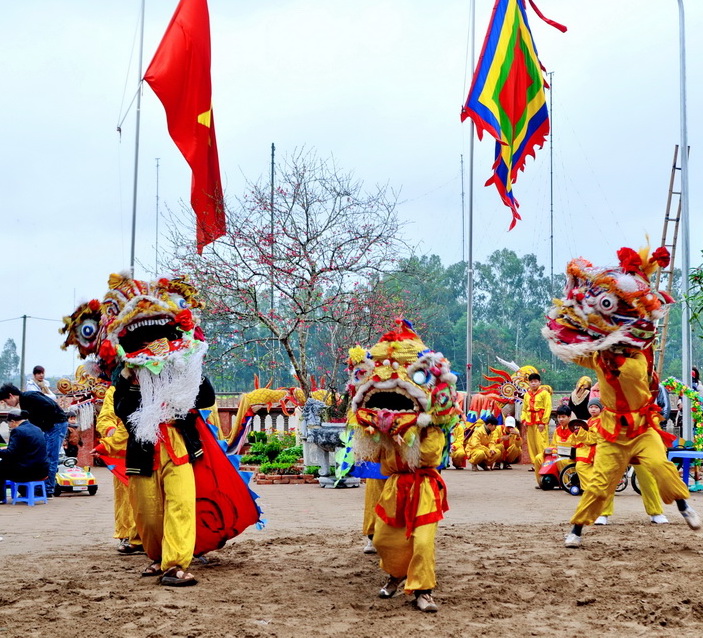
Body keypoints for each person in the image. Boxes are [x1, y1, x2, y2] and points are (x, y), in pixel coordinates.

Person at [564, 349, 700, 548]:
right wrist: (566, 340)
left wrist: (606, 357)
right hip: (612, 433)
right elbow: (577, 355)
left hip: (642, 428)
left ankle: (683, 505)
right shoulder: (599, 357)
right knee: (599, 482)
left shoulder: (638, 358)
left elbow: (633, 372)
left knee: (660, 465)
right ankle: (576, 529)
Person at [113, 368, 216, 586]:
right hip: (143, 452)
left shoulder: (179, 373)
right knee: (148, 515)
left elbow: (206, 398)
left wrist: (192, 365)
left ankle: (175, 565)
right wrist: (131, 378)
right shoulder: (125, 374)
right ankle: (160, 558)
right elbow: (123, 411)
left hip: (178, 447)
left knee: (181, 505)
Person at [576, 399, 669, 526]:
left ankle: (656, 512)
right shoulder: (611, 404)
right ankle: (603, 514)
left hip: (640, 443)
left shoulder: (643, 401)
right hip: (617, 444)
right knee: (607, 480)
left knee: (648, 479)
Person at [93, 385, 143, 554]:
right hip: (124, 452)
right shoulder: (116, 391)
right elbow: (105, 419)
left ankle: (152, 536)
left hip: (155, 449)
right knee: (126, 498)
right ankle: (128, 535)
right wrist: (111, 432)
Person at [0, 383, 68, 498]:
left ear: (11, 395)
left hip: (56, 425)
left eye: (6, 401)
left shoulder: (29, 397)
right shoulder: (25, 401)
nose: (8, 404)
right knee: (45, 455)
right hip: (51, 427)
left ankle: (47, 489)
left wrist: (45, 423)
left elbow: (49, 406)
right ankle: (43, 488)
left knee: (50, 457)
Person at [0, 409, 49, 496]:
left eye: (9, 423)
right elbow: (25, 448)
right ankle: (27, 493)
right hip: (42, 469)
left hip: (27, 471)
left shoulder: (17, 431)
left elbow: (10, 453)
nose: (9, 426)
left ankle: (0, 498)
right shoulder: (36, 428)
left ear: (13, 421)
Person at [533, 405, 578, 486]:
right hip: (557, 453)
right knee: (538, 458)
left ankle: (567, 483)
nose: (561, 419)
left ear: (569, 417)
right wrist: (549, 450)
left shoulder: (574, 430)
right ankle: (541, 482)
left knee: (560, 460)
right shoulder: (557, 430)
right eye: (559, 417)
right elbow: (553, 444)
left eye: (563, 417)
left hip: (570, 456)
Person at [520, 373, 551, 466]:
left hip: (539, 421)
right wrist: (524, 420)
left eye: (536, 381)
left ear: (539, 382)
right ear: (529, 383)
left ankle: (544, 462)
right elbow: (524, 409)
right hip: (530, 421)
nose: (533, 383)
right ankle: (535, 464)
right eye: (531, 382)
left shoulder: (544, 393)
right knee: (531, 443)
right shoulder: (526, 395)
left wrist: (543, 421)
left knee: (541, 442)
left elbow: (548, 407)